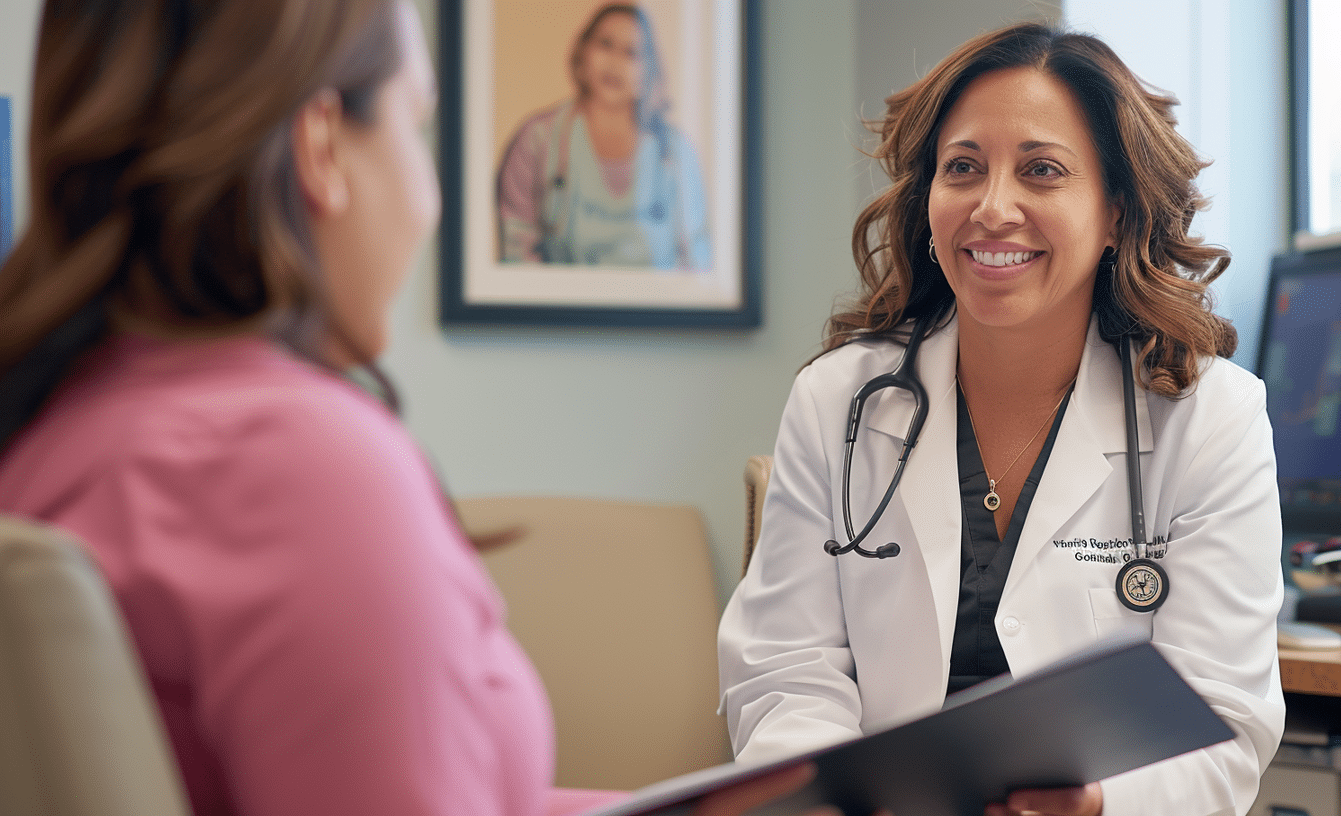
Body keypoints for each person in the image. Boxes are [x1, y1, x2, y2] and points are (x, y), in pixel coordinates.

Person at [0, 2, 807, 815]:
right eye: (415, 129)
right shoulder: (298, 471)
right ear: (321, 147)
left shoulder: (51, 430)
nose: (431, 202)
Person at [717, 22, 1284, 816]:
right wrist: (841, 796)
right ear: (929, 200)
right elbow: (785, 670)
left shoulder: (1210, 416)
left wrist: (1096, 803)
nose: (992, 207)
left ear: (1117, 212)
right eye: (964, 169)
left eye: (1042, 170)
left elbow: (1223, 718)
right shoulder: (839, 400)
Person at [495, 3, 712, 269]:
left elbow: (697, 260)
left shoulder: (676, 153)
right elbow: (517, 250)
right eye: (605, 44)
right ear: (582, 53)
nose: (615, 62)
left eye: (632, 53)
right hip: (557, 309)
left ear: (651, 71)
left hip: (660, 309)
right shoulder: (537, 140)